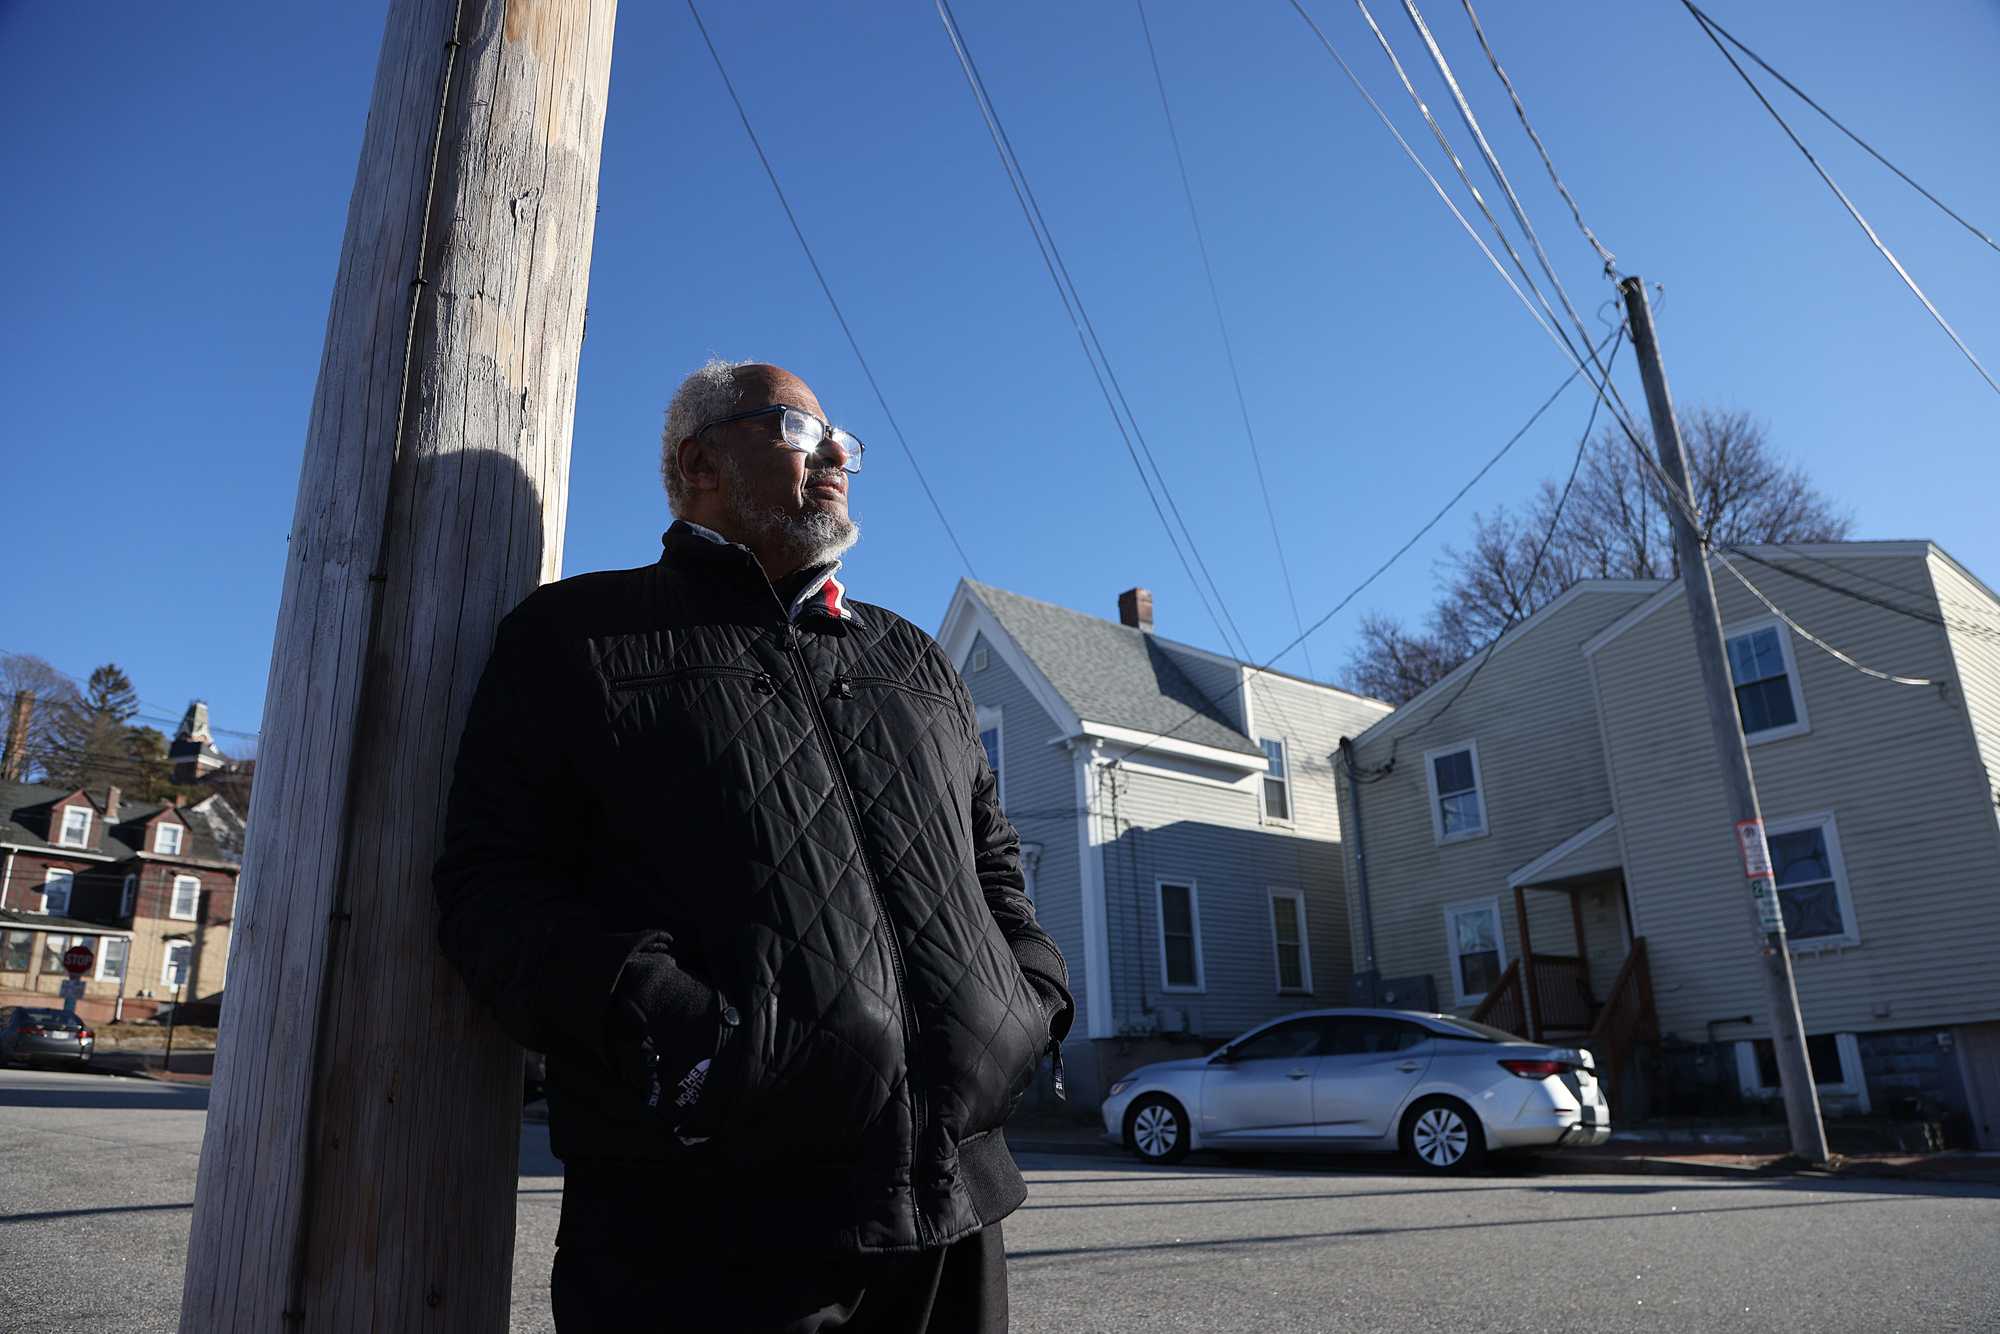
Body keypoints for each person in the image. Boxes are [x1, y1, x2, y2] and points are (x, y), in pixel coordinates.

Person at [434, 358, 1072, 1332]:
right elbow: (491, 888)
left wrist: (1028, 1002)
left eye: (841, 443)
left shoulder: (915, 661)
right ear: (698, 462)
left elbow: (993, 869)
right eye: (795, 430)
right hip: (699, 1228)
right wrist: (676, 1034)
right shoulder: (577, 637)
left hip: (953, 1206)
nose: (832, 460)